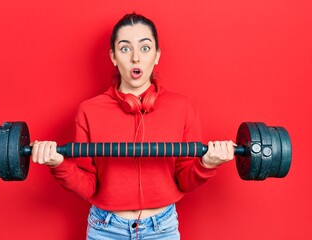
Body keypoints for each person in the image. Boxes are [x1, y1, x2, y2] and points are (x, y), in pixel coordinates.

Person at [31, 13, 234, 240]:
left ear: (157, 55)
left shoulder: (183, 108)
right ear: (113, 57)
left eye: (145, 48)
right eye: (125, 49)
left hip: (162, 229)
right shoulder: (89, 111)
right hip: (105, 229)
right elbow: (88, 187)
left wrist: (207, 164)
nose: (136, 58)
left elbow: (184, 180)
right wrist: (58, 164)